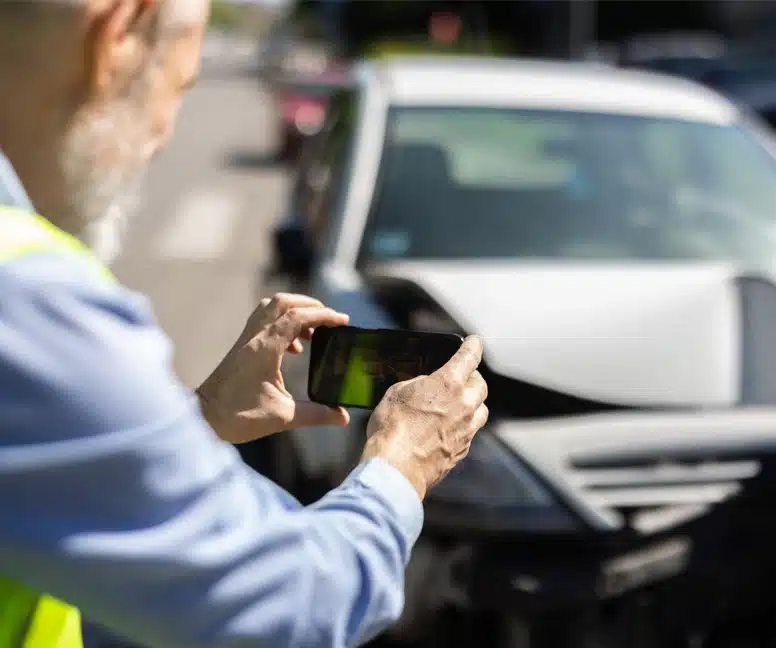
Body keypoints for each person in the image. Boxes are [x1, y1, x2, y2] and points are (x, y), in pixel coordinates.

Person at [0, 1, 489, 647]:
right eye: (179, 88)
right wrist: (405, 457)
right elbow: (290, 609)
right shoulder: (30, 298)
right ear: (117, 36)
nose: (164, 133)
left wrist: (199, 421)